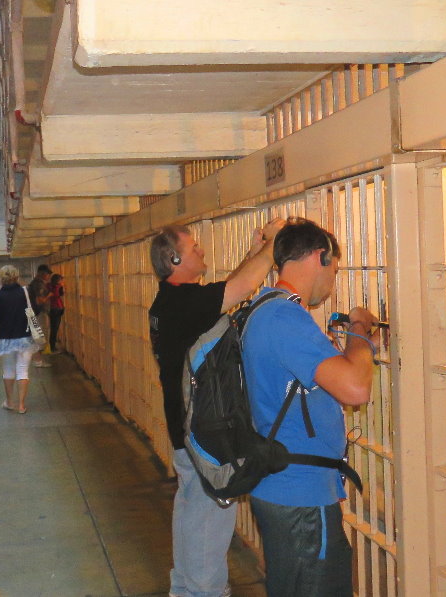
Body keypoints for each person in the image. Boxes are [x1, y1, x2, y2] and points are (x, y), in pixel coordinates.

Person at [147, 216, 293, 597]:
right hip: (201, 436)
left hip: (185, 430)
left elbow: (228, 288)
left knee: (192, 512)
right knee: (208, 524)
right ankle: (202, 592)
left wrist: (256, 251)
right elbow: (241, 287)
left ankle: (186, 588)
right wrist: (274, 243)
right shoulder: (184, 304)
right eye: (194, 248)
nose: (202, 250)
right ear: (175, 261)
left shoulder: (172, 302)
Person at [241, 219, 377, 596]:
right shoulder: (285, 318)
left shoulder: (262, 308)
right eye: (335, 268)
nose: (333, 279)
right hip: (299, 496)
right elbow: (355, 389)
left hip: (284, 486)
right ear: (321, 255)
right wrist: (360, 332)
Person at [0, 264, 37, 414]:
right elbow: (34, 310)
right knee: (23, 370)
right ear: (16, 277)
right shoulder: (25, 292)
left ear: (1, 278)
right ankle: (22, 405)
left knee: (9, 370)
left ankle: (10, 402)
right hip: (24, 336)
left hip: (6, 338)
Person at [27, 264, 53, 366]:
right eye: (47, 274)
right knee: (39, 337)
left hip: (35, 313)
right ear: (42, 274)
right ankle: (38, 360)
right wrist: (49, 295)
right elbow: (39, 300)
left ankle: (37, 360)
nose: (48, 276)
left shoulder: (35, 283)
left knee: (38, 336)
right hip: (39, 313)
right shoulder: (38, 284)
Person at [47, 273, 66, 353]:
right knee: (54, 328)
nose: (62, 281)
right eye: (60, 280)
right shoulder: (54, 287)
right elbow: (56, 295)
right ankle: (52, 347)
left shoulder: (49, 286)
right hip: (55, 308)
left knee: (54, 328)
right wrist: (60, 287)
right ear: (57, 280)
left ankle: (52, 345)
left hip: (54, 308)